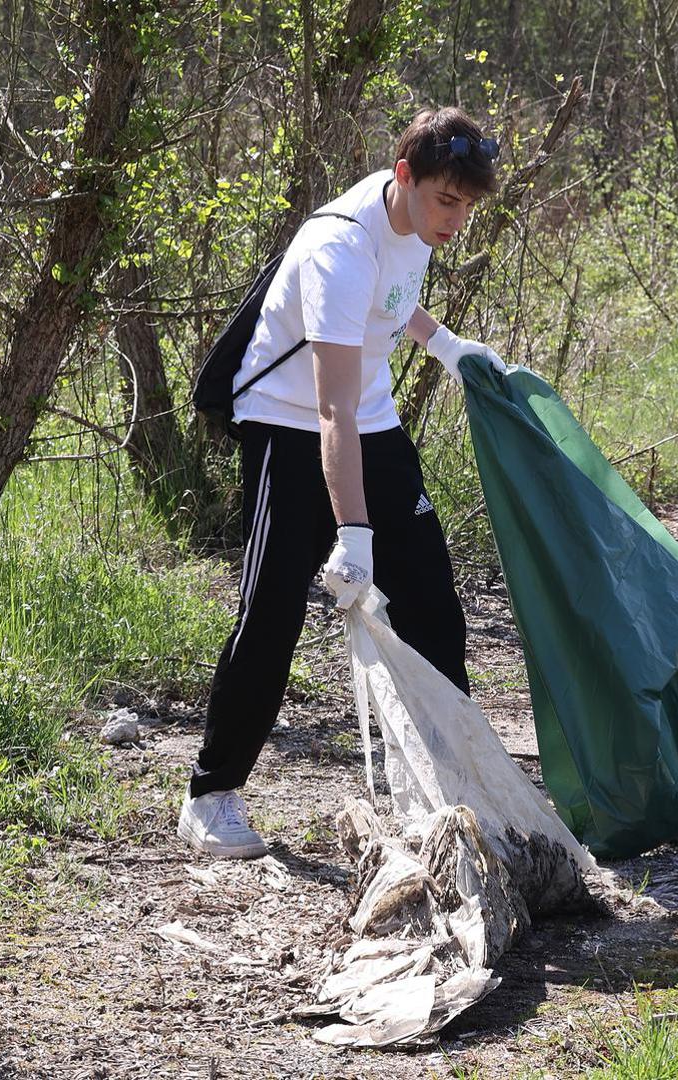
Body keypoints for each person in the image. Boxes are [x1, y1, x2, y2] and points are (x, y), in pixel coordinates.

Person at [178, 108, 508, 858]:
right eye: (446, 202)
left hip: (373, 423)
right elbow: (331, 407)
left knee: (431, 600)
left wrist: (445, 345)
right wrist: (353, 534)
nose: (455, 220)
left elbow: (390, 303)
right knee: (271, 614)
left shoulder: (415, 224)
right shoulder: (338, 248)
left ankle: (454, 786)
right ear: (404, 178)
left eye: (466, 206)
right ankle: (211, 795)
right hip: (292, 427)